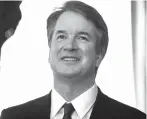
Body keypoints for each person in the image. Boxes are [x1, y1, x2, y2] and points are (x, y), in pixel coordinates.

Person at [0, 1, 146, 119]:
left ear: (99, 54)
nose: (69, 46)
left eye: (82, 37)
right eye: (61, 36)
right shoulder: (12, 117)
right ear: (50, 49)